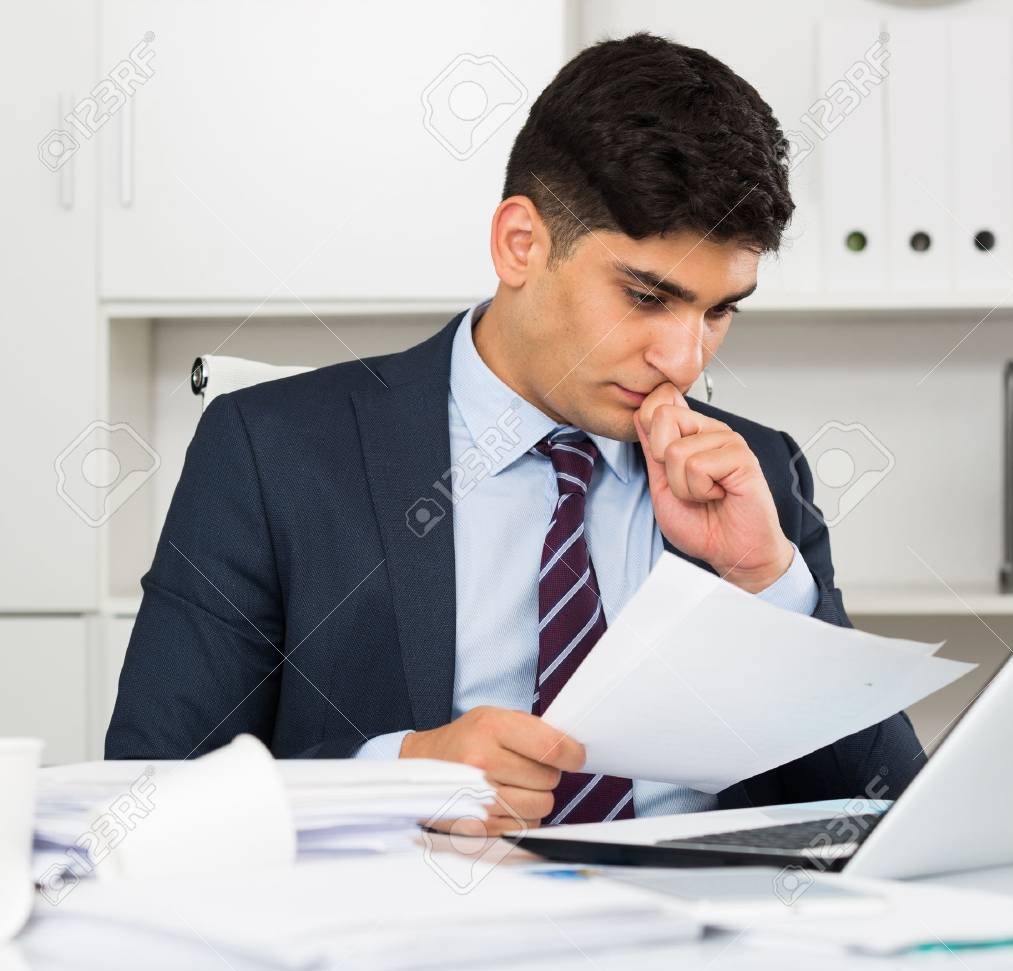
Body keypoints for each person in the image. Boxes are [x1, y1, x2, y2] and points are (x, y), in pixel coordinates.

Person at [107, 32, 925, 833]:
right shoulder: (269, 452)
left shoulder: (761, 472)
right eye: (646, 297)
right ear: (520, 244)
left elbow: (893, 810)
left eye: (719, 311)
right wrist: (399, 777)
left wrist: (768, 583)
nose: (683, 358)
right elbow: (150, 794)